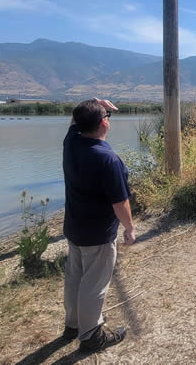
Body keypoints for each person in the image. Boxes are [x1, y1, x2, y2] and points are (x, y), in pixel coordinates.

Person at [62, 98, 135, 352]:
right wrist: (129, 228)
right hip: (98, 235)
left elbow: (76, 119)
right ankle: (91, 336)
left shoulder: (70, 142)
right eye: (107, 115)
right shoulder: (108, 159)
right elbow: (120, 203)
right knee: (94, 285)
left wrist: (93, 103)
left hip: (74, 229)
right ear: (104, 122)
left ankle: (73, 325)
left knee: (74, 278)